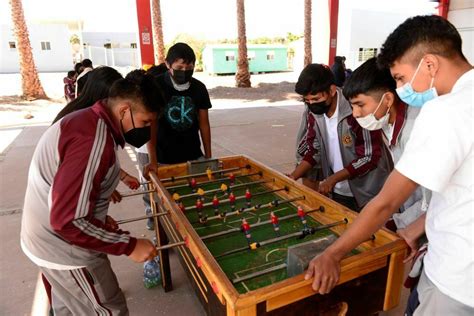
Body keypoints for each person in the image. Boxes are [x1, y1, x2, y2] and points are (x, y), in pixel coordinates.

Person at [304, 15, 473, 316]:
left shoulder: (442, 112)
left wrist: (333, 253)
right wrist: (415, 229)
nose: (400, 88)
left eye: (400, 78)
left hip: (456, 276)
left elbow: (386, 203)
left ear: (430, 64)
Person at [21, 72, 164, 315]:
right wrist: (128, 245)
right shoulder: (92, 140)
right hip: (65, 249)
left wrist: (97, 219)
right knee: (109, 309)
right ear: (123, 111)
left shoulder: (89, 122)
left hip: (46, 241)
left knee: (69, 309)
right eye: (145, 122)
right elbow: (67, 221)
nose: (148, 132)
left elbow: (72, 194)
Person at [342, 57, 431, 230]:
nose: (355, 114)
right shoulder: (386, 123)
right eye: (352, 106)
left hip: (429, 225)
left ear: (388, 100)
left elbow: (431, 201)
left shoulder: (415, 130)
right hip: (412, 215)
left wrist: (399, 223)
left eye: (360, 104)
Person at [290, 63, 392, 211]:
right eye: (307, 100)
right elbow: (314, 149)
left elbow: (369, 156)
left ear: (331, 90)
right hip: (338, 192)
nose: (311, 104)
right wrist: (293, 176)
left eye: (316, 98)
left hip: (369, 192)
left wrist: (333, 178)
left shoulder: (356, 109)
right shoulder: (314, 112)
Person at [53, 67, 141, 203]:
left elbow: (97, 160)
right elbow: (77, 172)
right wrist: (98, 187)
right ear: (102, 98)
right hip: (59, 199)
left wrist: (119, 177)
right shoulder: (86, 127)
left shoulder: (87, 116)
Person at [146, 42, 212, 168]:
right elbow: (151, 125)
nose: (184, 71)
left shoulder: (199, 88)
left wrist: (208, 157)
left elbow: (204, 124)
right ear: (167, 64)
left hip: (194, 156)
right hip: (164, 159)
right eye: (179, 67)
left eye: (189, 68)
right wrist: (152, 160)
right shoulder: (156, 86)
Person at [134, 65, 168, 230]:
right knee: (149, 190)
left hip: (160, 150)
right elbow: (149, 133)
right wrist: (153, 158)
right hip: (146, 153)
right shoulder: (148, 101)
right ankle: (153, 222)